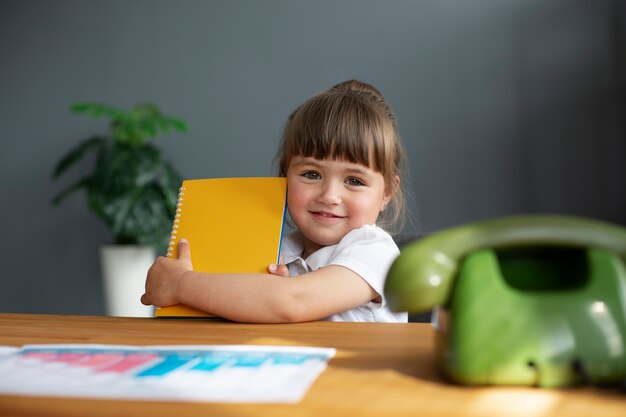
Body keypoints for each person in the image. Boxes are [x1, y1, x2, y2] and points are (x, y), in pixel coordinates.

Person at [141, 80, 409, 323]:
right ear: (285, 178)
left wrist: (181, 285)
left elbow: (293, 302)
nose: (329, 196)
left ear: (387, 193)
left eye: (354, 181)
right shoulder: (278, 250)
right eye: (311, 174)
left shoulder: (376, 252)